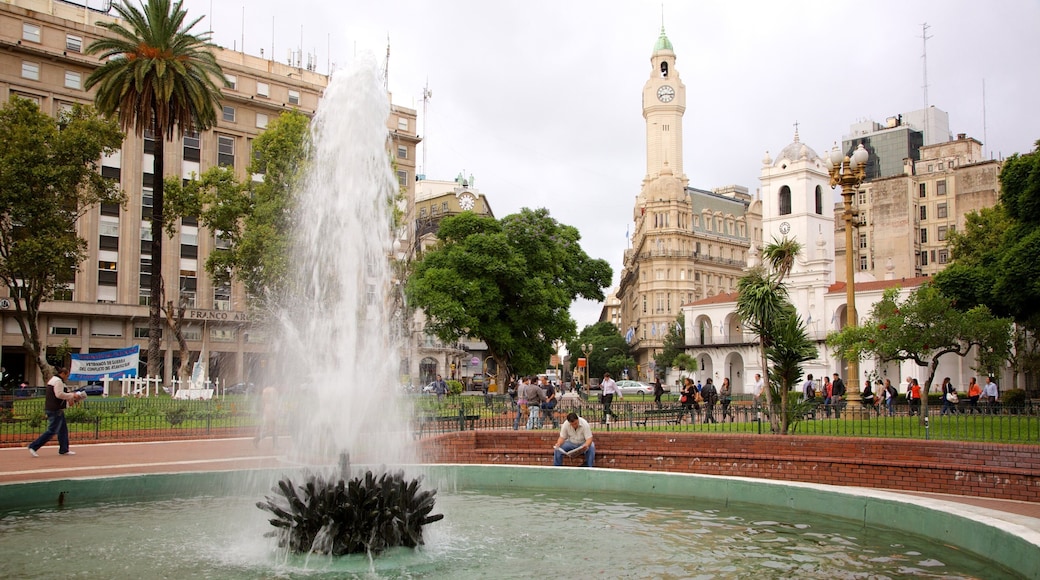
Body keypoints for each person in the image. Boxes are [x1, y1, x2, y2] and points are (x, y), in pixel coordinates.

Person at [28, 367, 84, 457]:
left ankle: (64, 449)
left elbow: (61, 394)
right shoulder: (58, 381)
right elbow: (59, 394)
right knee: (52, 430)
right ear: (63, 374)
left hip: (55, 409)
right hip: (55, 409)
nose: (67, 377)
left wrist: (71, 398)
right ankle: (33, 446)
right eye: (67, 375)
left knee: (63, 430)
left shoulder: (55, 380)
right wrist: (72, 395)